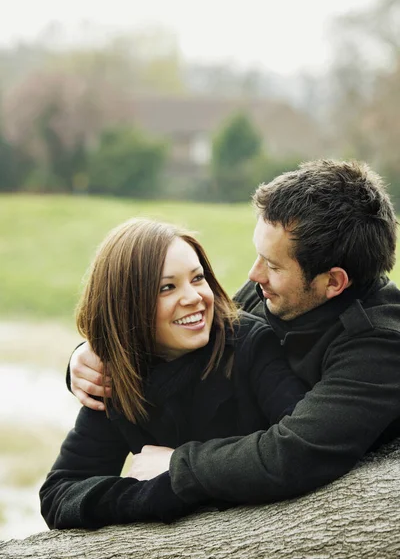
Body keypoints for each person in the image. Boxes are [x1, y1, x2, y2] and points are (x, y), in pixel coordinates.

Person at [69, 159, 400, 515]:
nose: (253, 274)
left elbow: (294, 453)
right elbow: (191, 332)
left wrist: (180, 466)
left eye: (272, 265)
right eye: (260, 255)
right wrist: (91, 355)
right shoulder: (274, 291)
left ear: (333, 282)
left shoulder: (379, 345)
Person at [40, 218, 308, 529]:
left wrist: (179, 471)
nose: (194, 297)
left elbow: (296, 450)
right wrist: (149, 495)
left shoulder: (250, 344)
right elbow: (59, 494)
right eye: (167, 287)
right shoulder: (119, 374)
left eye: (197, 278)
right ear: (126, 304)